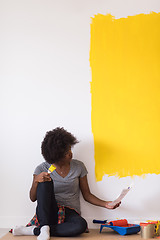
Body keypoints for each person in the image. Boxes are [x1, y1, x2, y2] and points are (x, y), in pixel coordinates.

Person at [13, 127, 121, 240]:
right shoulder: (42, 168)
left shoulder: (79, 167)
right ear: (56, 156)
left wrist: (106, 204)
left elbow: (87, 195)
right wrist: (36, 181)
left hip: (70, 212)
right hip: (49, 211)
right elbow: (33, 198)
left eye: (70, 149)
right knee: (45, 183)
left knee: (80, 226)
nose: (70, 153)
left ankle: (35, 230)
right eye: (66, 152)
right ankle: (44, 226)